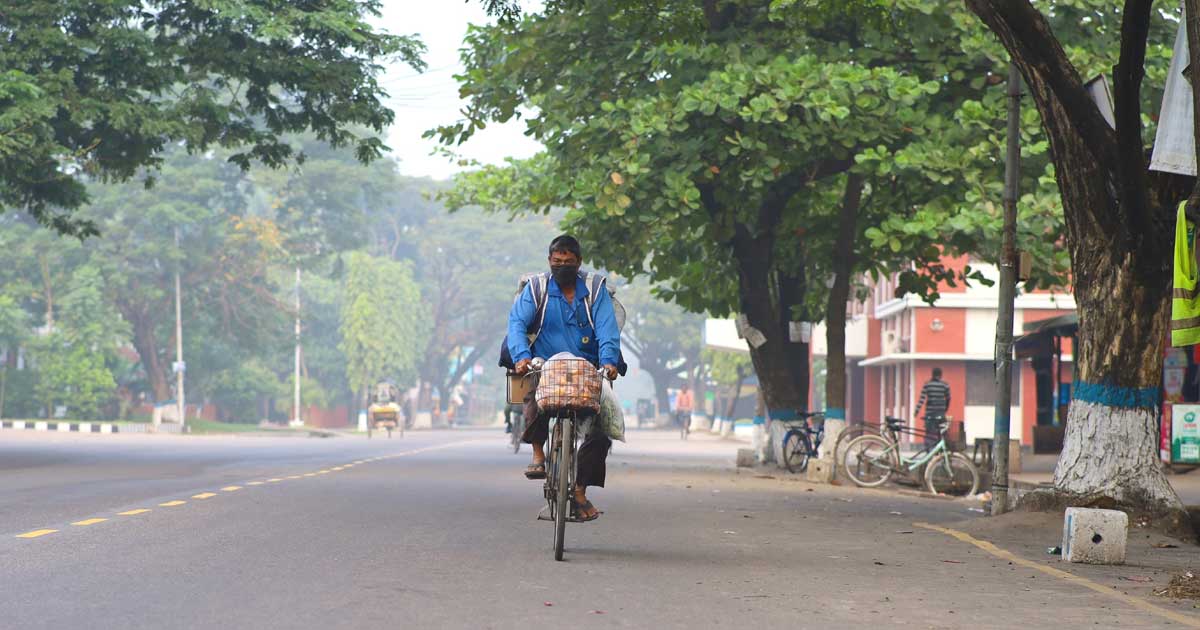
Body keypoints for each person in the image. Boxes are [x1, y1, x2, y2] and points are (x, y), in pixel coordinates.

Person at [509, 235, 621, 522]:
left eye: (568, 262)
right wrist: (521, 356)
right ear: (549, 261)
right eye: (557, 262)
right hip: (545, 365)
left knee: (600, 430)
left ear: (579, 262)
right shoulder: (537, 289)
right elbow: (517, 323)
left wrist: (608, 362)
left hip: (587, 367)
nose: (562, 267)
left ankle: (580, 490)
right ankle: (538, 453)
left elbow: (608, 330)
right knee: (531, 394)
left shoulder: (595, 290)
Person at [913, 367, 951, 450]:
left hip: (930, 415)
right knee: (941, 434)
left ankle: (929, 452)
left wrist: (916, 411)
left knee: (929, 434)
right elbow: (948, 398)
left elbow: (922, 399)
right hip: (941, 414)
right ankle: (940, 453)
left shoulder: (927, 385)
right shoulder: (945, 385)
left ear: (932, 375)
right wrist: (945, 409)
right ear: (940, 375)